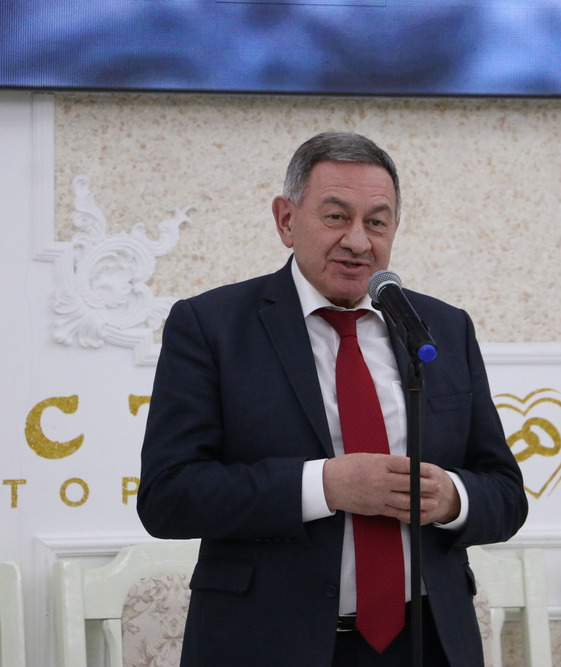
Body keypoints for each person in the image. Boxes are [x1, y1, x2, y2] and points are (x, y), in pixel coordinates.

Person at [137, 131, 528, 666]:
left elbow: (506, 493)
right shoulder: (211, 326)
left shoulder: (439, 328)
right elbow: (168, 496)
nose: (358, 242)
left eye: (377, 222)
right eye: (336, 217)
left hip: (426, 642)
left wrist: (452, 499)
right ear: (285, 220)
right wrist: (325, 485)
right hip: (266, 645)